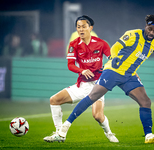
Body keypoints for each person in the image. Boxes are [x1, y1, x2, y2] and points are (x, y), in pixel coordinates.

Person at [58, 11, 154, 144]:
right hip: (114, 70)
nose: (152, 33)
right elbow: (116, 47)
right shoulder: (133, 34)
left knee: (146, 102)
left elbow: (136, 60)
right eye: (150, 29)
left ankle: (149, 135)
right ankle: (65, 127)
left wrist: (134, 72)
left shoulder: (153, 46)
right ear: (146, 26)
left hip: (129, 75)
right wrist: (115, 58)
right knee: (93, 96)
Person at [43, 15, 119, 143]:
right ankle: (58, 133)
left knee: (98, 116)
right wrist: (81, 70)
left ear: (90, 27)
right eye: (78, 27)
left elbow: (112, 59)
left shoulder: (101, 43)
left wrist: (110, 68)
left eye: (84, 26)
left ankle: (109, 133)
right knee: (54, 100)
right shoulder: (74, 45)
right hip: (82, 84)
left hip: (98, 86)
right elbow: (70, 65)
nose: (81, 29)